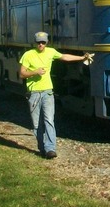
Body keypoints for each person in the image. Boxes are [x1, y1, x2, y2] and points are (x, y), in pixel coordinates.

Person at [19, 31, 92, 159]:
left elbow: (65, 57)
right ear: (35, 43)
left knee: (49, 120)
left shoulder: (51, 52)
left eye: (43, 42)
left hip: (48, 92)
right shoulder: (28, 55)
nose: (41, 45)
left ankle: (50, 149)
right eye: (38, 42)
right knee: (36, 124)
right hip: (34, 94)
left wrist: (82, 58)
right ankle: (42, 148)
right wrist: (35, 72)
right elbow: (22, 74)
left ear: (46, 43)